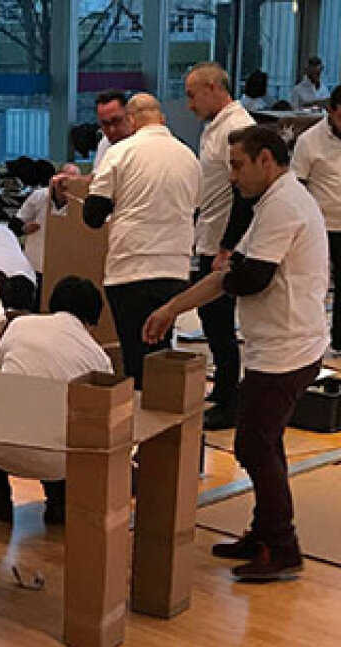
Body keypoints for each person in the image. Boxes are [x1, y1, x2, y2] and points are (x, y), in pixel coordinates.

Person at [144, 126, 328, 583]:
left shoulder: (285, 205)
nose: (232, 176)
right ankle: (264, 532)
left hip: (287, 350)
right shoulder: (270, 204)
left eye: (238, 165)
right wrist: (171, 309)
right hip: (276, 346)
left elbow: (250, 278)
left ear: (266, 160)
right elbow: (228, 274)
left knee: (254, 445)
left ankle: (282, 547)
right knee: (264, 443)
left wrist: (200, 291)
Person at [0, 276, 114, 526]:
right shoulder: (99, 358)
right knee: (68, 433)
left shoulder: (20, 325)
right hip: (58, 464)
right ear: (91, 321)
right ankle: (58, 503)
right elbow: (101, 420)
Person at [84, 93, 201, 386]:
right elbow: (196, 209)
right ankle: (166, 406)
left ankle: (138, 410)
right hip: (175, 269)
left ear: (132, 120)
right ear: (162, 119)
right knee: (161, 351)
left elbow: (93, 215)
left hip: (131, 268)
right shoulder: (189, 156)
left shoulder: (120, 153)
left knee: (135, 355)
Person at [185, 62, 254, 430]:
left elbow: (244, 193)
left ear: (213, 88)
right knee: (211, 321)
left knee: (219, 322)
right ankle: (224, 391)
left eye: (192, 95)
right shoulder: (214, 127)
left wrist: (228, 246)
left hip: (224, 242)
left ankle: (230, 401)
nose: (189, 104)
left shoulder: (237, 127)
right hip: (208, 235)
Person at [293, 84, 341, 355]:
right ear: (331, 111)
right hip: (321, 227)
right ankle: (307, 341)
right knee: (312, 285)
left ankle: (340, 342)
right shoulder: (309, 141)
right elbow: (297, 186)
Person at [14, 159, 55, 303]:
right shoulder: (40, 196)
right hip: (38, 260)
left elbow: (15, 223)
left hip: (45, 261)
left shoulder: (40, 195)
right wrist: (23, 228)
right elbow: (16, 224)